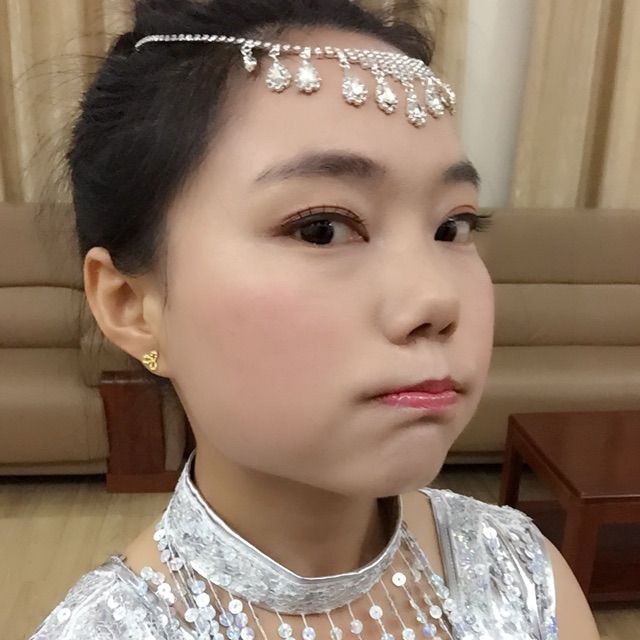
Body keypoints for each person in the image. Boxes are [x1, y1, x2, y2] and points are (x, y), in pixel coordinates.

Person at [28, 0, 600, 638]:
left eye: (452, 227)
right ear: (132, 306)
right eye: (321, 229)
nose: (437, 302)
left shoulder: (525, 571)